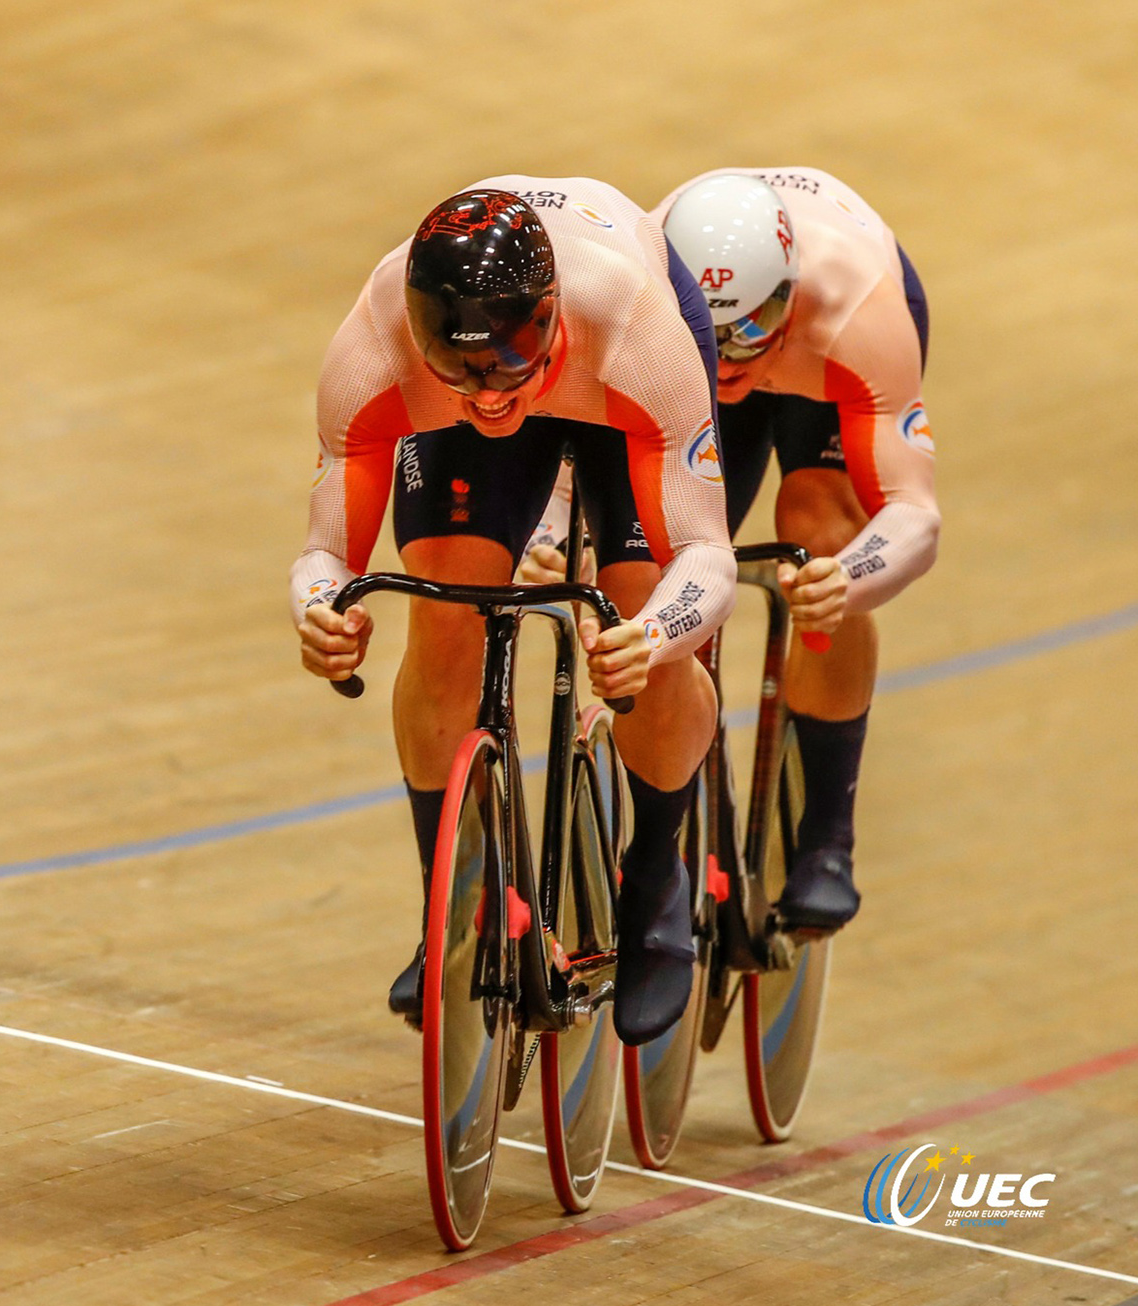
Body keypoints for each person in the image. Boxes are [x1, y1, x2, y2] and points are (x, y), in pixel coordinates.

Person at [292, 180, 736, 1045]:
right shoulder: (371, 350)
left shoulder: (634, 328)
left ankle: (654, 876)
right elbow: (324, 554)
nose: (487, 393)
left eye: (505, 364)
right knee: (445, 614)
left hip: (613, 396)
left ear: (552, 316)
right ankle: (453, 909)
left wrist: (652, 637)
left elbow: (708, 556)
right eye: (458, 367)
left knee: (642, 617)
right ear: (420, 339)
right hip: (502, 392)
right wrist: (318, 613)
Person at [650, 168, 936, 933]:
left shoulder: (857, 306)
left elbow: (916, 514)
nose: (734, 360)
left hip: (820, 357)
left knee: (817, 527)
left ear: (791, 288)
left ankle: (826, 841)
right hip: (693, 348)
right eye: (716, 337)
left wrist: (848, 576)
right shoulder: (646, 294)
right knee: (656, 556)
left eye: (749, 328)